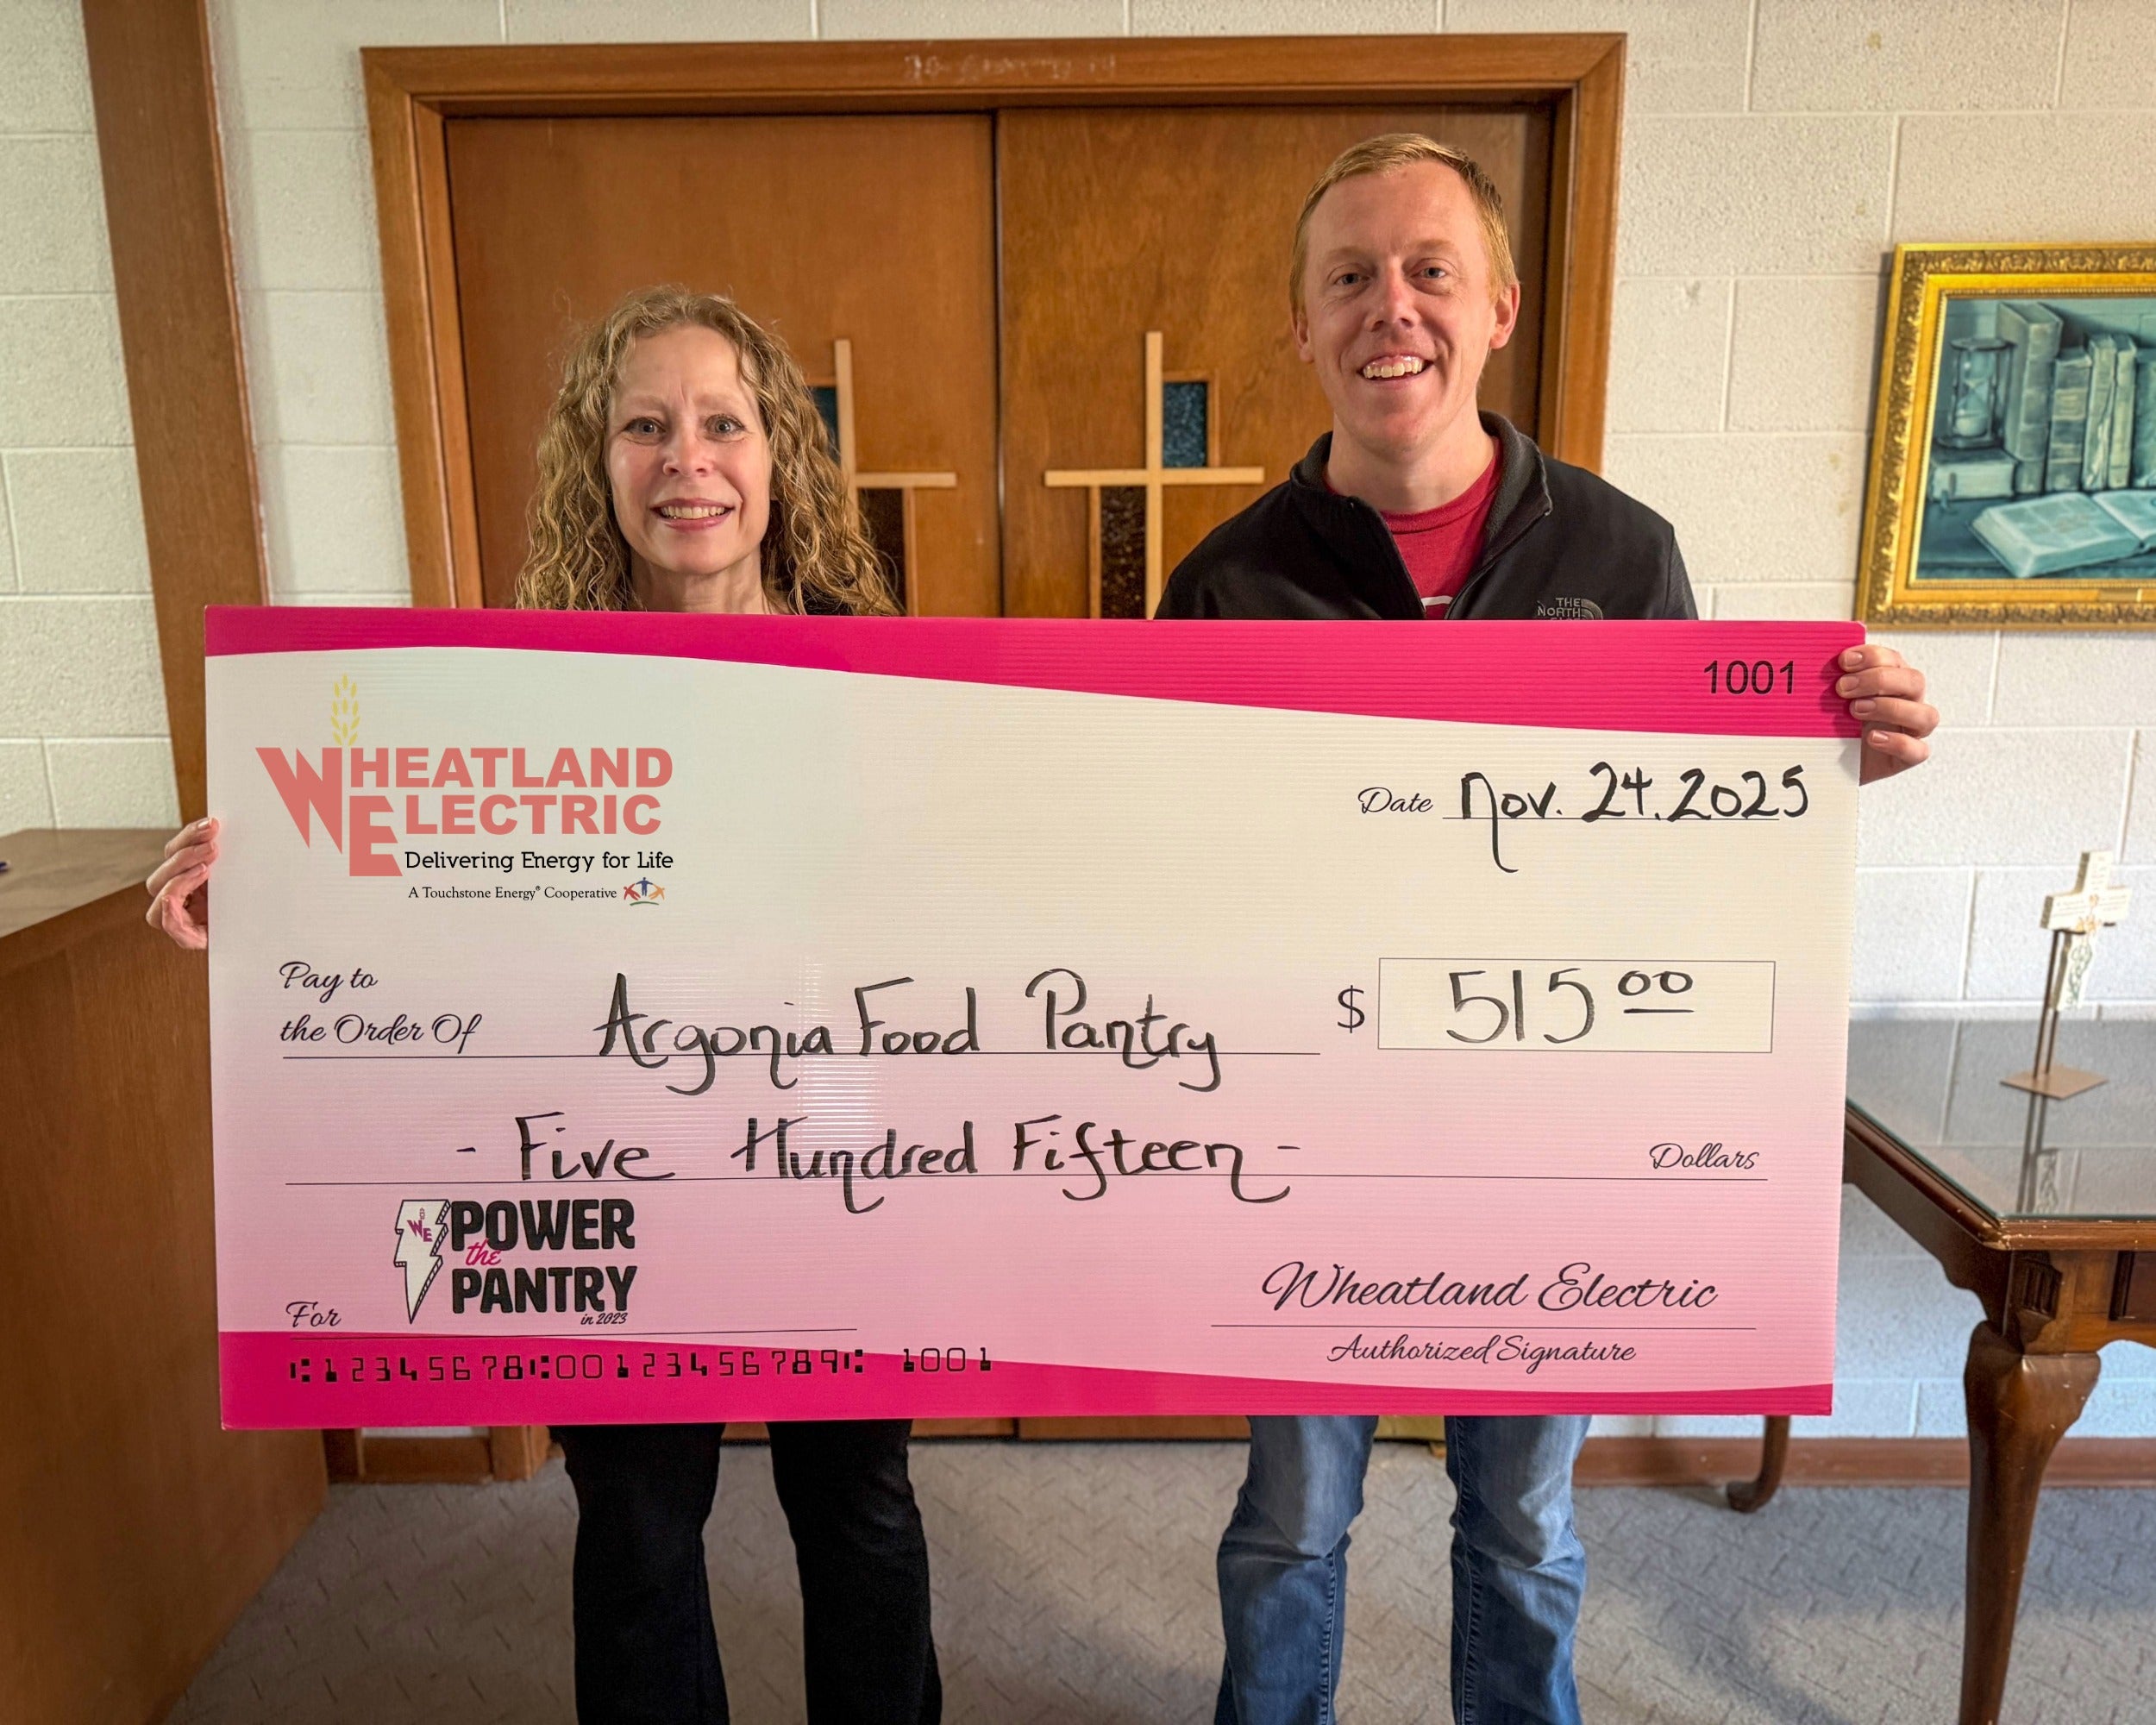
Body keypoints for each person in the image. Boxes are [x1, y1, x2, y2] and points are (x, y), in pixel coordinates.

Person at [1158, 135, 1940, 1725]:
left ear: (1499, 308)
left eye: (1430, 271)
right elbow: (1169, 866)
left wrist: (1830, 765)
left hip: (1548, 1136)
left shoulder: (1623, 555)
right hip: (1312, 1135)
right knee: (1291, 1522)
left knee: (1522, 1526)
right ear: (1301, 323)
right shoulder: (1226, 582)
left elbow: (1698, 846)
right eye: (1351, 276)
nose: (1393, 308)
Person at [146, 285, 940, 1725]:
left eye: (724, 423)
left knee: (859, 1503)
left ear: (778, 458)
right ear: (599, 459)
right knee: (638, 1524)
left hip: (834, 1148)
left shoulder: (887, 684)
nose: (687, 458)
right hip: (604, 1162)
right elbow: (409, 880)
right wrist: (264, 890)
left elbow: (981, 894)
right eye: (645, 426)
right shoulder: (512, 691)